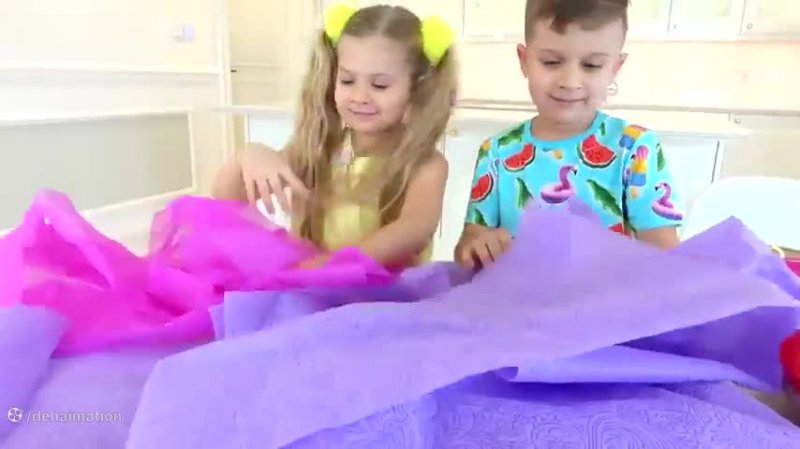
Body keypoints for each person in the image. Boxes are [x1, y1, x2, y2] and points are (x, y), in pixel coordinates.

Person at [212, 3, 457, 269]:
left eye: (380, 85)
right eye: (347, 80)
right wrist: (247, 157)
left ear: (417, 89)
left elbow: (413, 230)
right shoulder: (317, 150)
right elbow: (225, 204)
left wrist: (323, 268)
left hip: (382, 294)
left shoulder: (426, 165)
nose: (360, 96)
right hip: (308, 288)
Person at [455, 0, 684, 269]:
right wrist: (476, 247)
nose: (570, 82)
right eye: (551, 62)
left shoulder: (635, 148)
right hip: (517, 294)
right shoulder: (496, 153)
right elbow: (468, 249)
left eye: (592, 65)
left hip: (610, 294)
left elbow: (663, 255)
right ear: (524, 61)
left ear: (615, 68)